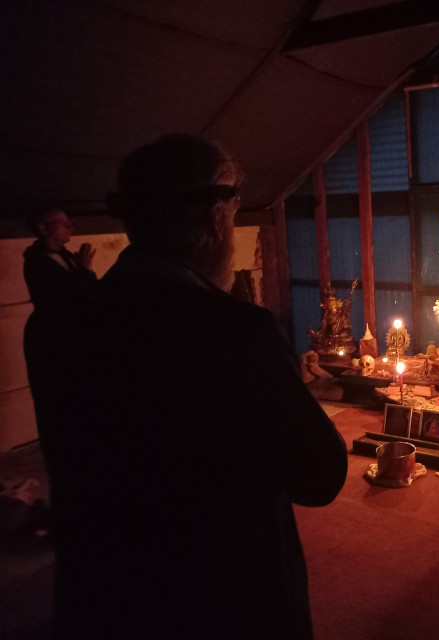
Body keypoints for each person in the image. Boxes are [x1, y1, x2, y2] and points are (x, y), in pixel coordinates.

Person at [24, 135, 348, 640]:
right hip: (222, 601)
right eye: (236, 207)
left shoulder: (55, 328)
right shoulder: (234, 331)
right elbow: (320, 474)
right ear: (218, 216)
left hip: (104, 596)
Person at [23, 209, 97, 311]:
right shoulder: (37, 263)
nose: (71, 227)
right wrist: (84, 269)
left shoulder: (66, 255)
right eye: (65, 224)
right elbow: (67, 299)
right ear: (44, 229)